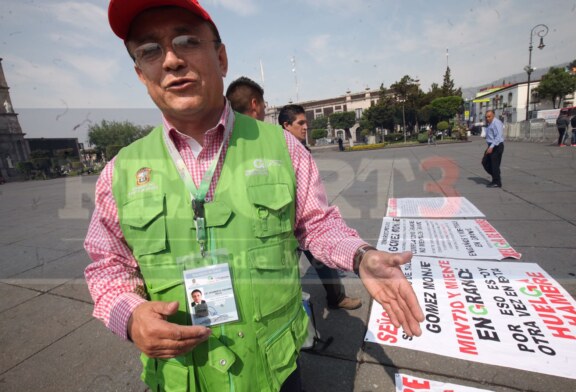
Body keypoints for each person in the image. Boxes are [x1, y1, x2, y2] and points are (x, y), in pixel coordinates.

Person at [85, 1, 424, 391]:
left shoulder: (282, 147)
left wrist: (361, 255)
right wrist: (129, 316)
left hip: (274, 370)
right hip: (182, 378)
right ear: (141, 74)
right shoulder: (121, 171)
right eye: (150, 50)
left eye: (186, 41)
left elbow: (316, 224)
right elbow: (108, 266)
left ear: (221, 56)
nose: (172, 60)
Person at [226, 84, 361, 311]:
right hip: (286, 219)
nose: (305, 128)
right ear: (255, 104)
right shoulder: (275, 141)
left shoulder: (228, 144)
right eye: (300, 123)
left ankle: (327, 299)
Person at [481, 109, 504, 188]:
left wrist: (491, 147)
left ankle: (497, 182)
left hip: (496, 146)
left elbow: (498, 136)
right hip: (491, 145)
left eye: (489, 117)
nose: (487, 118)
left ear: (493, 115)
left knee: (494, 165)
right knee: (485, 162)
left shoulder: (496, 123)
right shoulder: (489, 123)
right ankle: (496, 175)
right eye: (486, 117)